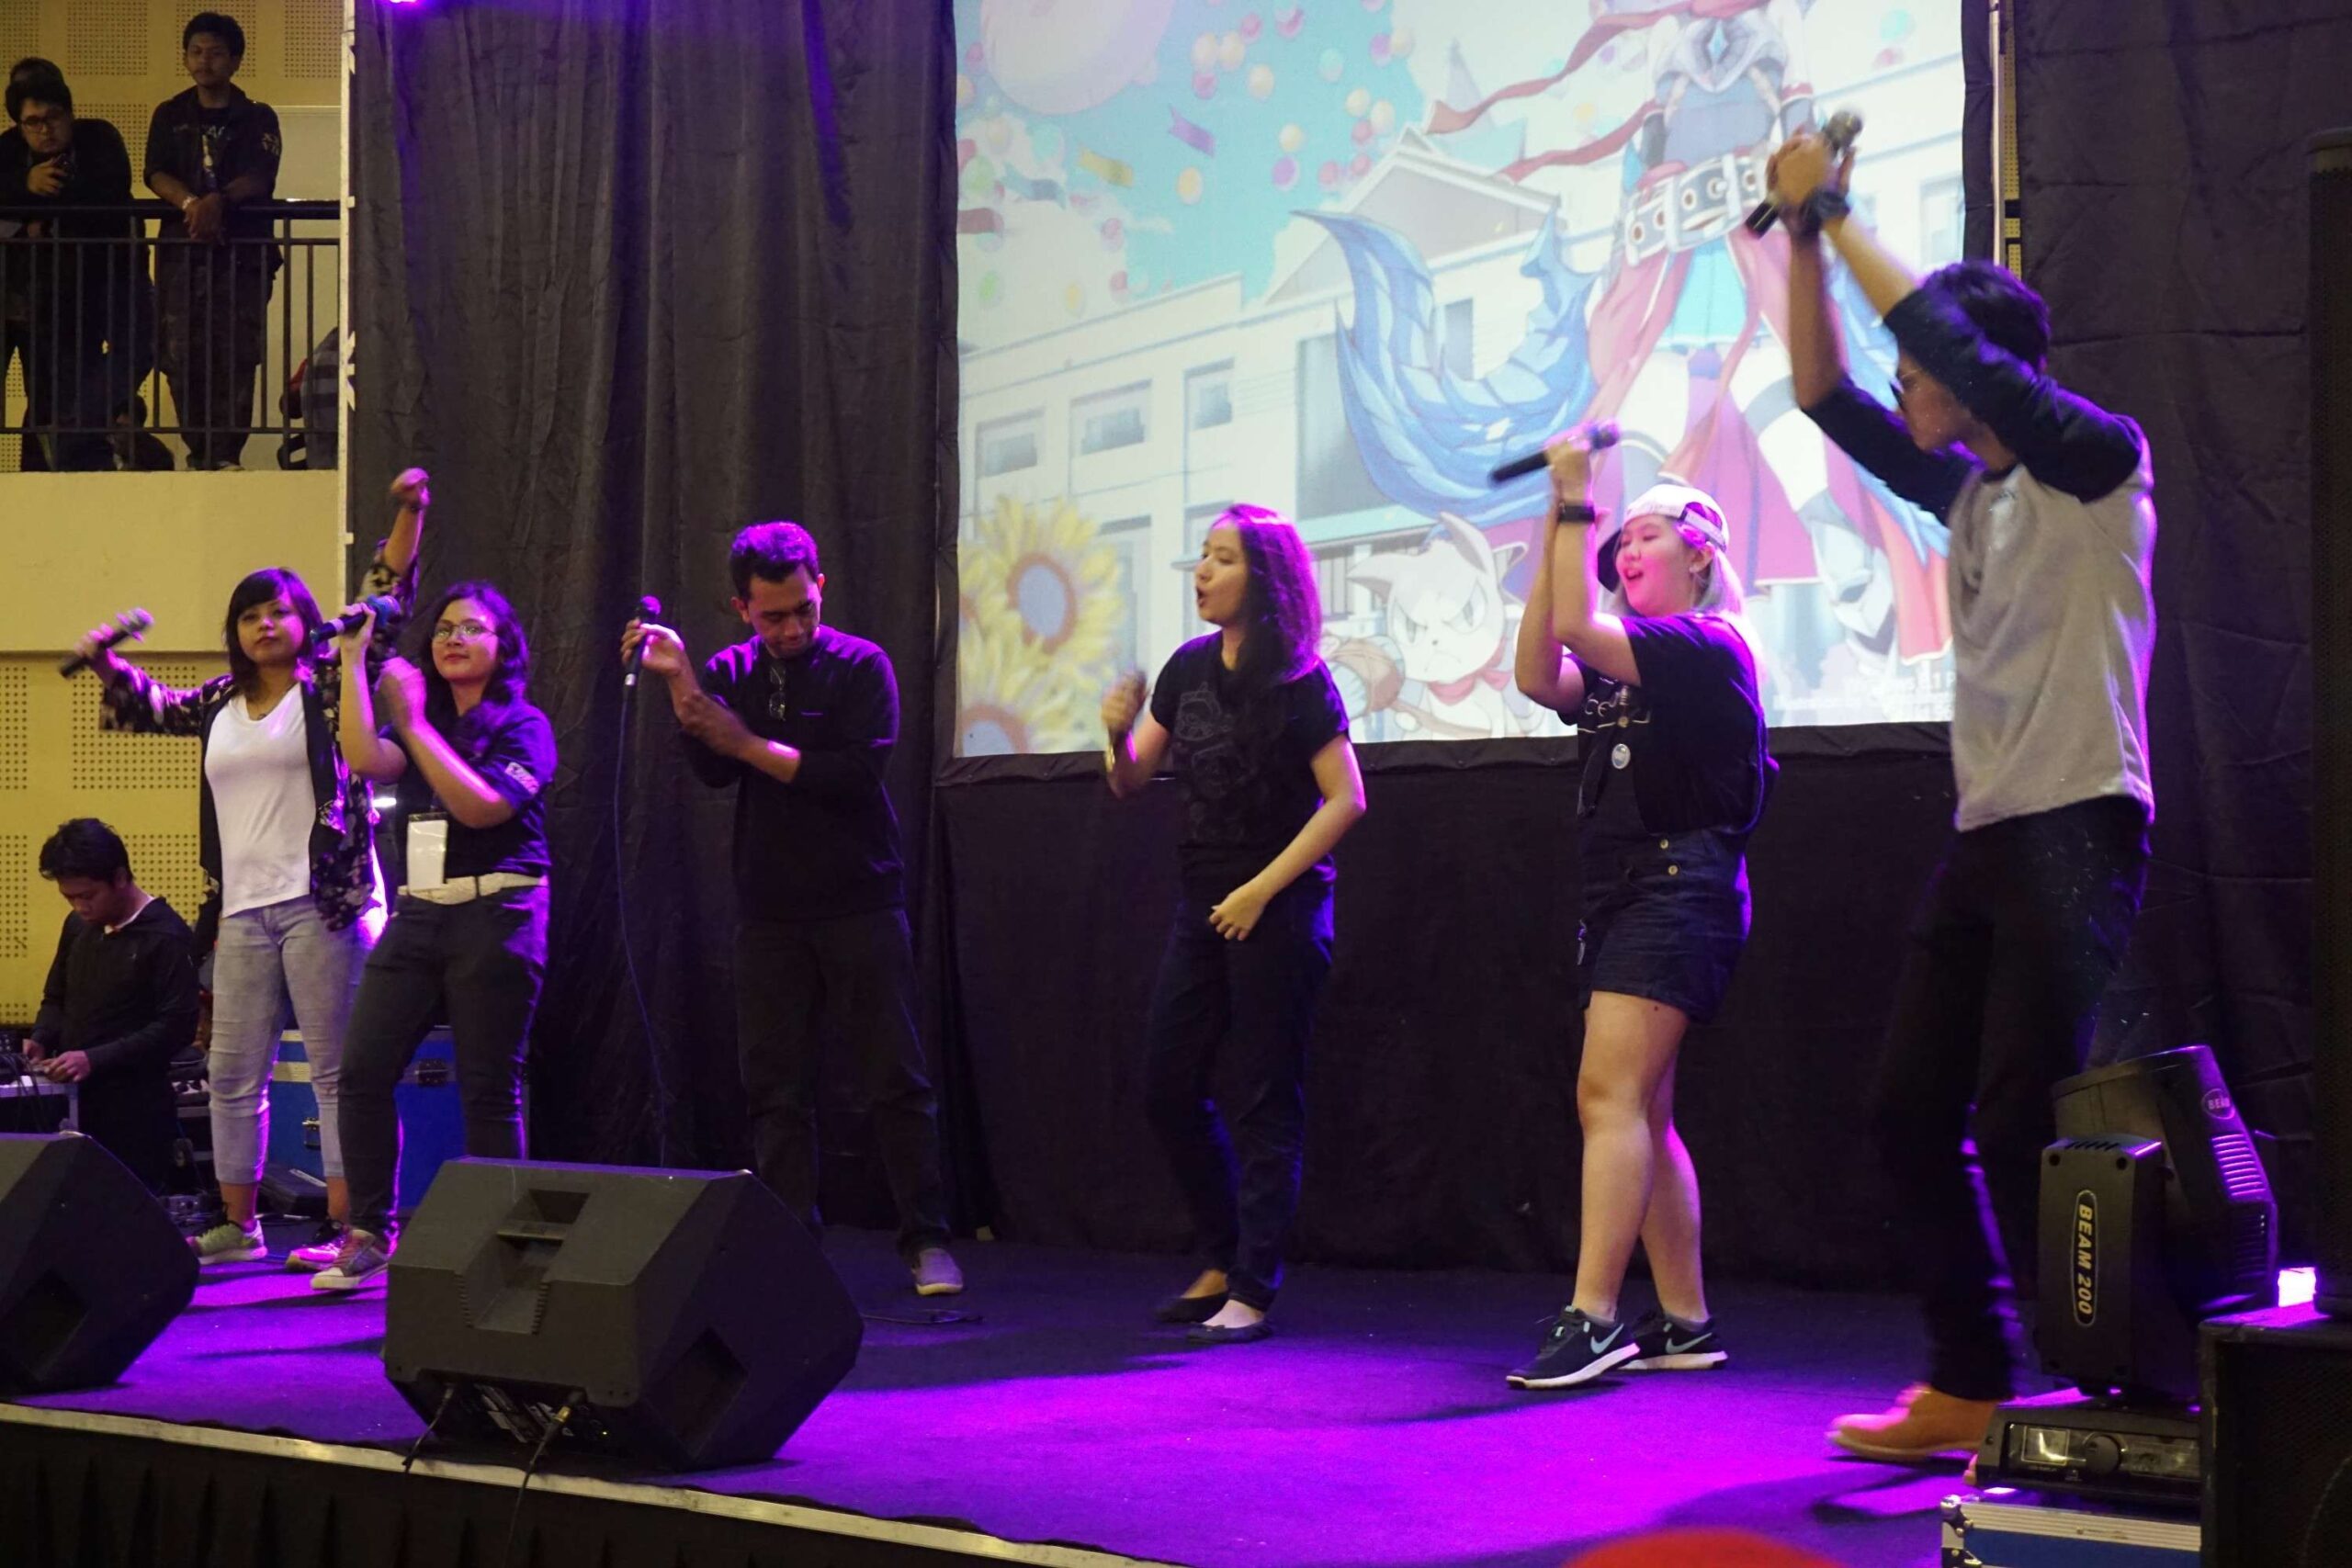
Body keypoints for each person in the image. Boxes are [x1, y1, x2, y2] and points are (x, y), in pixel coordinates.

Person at [1770, 130, 2157, 1460]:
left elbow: (1946, 342)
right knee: (1906, 1109)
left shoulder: (2094, 461)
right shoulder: (1970, 490)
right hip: (1989, 833)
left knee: (2014, 1110)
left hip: (2081, 819)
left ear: (1985, 369)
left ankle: (2110, 1378)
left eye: (1923, 365)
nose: (1905, 378)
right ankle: (1971, 1381)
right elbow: (1820, 392)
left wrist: (1834, 205)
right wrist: (1804, 240)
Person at [74, 471, 428, 1269]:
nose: (265, 624)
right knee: (232, 1072)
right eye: (249, 615)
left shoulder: (328, 685)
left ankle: (355, 1228)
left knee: (339, 1072)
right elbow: (150, 705)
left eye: (278, 611)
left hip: (324, 902)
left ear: (304, 621)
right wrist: (103, 661)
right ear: (235, 631)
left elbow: (386, 592)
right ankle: (239, 1225)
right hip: (240, 907)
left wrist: (410, 511)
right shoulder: (220, 703)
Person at [624, 524, 963, 1296]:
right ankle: (791, 1245)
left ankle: (927, 1237)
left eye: (804, 608)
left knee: (895, 1077)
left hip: (860, 898)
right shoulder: (729, 671)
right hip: (769, 910)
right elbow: (711, 768)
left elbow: (851, 775)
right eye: (773, 615)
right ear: (741, 607)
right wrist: (680, 682)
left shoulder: (862, 665)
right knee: (776, 1089)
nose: (793, 628)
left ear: (821, 588)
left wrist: (747, 743)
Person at [1504, 448, 1774, 1390]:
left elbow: (1576, 626)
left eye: (1646, 535)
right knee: (1644, 1114)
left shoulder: (1710, 644)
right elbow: (1537, 669)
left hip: (1676, 885)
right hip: (1628, 888)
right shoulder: (1628, 666)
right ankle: (1685, 1323)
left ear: (1700, 555)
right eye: (1619, 539)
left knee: (1606, 1096)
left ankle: (1594, 1318)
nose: (1624, 551)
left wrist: (1577, 499)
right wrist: (1560, 516)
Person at [1100, 505, 1366, 1345]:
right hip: (1204, 906)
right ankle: (1221, 1255)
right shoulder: (1188, 667)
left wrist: (1260, 890)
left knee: (1264, 1099)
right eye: (1203, 557)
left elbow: (1347, 799)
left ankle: (1252, 1286)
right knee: (1166, 1083)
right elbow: (1131, 780)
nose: (1203, 572)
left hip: (1279, 910)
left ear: (1266, 578)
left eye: (1222, 558)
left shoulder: (1301, 681)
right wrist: (1116, 733)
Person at [312, 581, 556, 1292]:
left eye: (472, 628)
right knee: (361, 1072)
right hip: (418, 913)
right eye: (445, 627)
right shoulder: (425, 722)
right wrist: (352, 661)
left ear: (503, 647)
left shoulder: (524, 724)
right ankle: (368, 1232)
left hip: (498, 909)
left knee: (488, 1088)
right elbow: (365, 759)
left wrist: (414, 721)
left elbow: (482, 808)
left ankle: (506, 1250)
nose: (453, 638)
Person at [28, 820, 199, 1190]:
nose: (80, 906)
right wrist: (41, 1037)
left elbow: (176, 1028)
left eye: (88, 895)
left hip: (136, 1112)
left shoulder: (166, 936)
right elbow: (56, 996)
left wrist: (94, 1059)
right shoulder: (77, 925)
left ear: (120, 877)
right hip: (76, 1102)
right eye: (70, 898)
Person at [144, 12, 281, 470]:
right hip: (181, 258)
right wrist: (191, 205)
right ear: (185, 57)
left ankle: (226, 454)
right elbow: (155, 172)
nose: (204, 61)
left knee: (236, 354)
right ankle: (199, 451)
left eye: (216, 52)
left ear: (236, 59)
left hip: (241, 258)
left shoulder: (257, 116)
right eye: (196, 52)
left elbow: (260, 175)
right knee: (180, 353)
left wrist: (218, 202)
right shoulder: (169, 114)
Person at [0, 68, 145, 470]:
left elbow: (105, 195)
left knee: (56, 396)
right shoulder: (9, 150)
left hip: (82, 291)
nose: (44, 130)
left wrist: (32, 211)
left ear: (69, 113)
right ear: (19, 124)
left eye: (53, 118)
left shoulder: (98, 138)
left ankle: (62, 458)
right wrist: (27, 185)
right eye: (32, 122)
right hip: (23, 289)